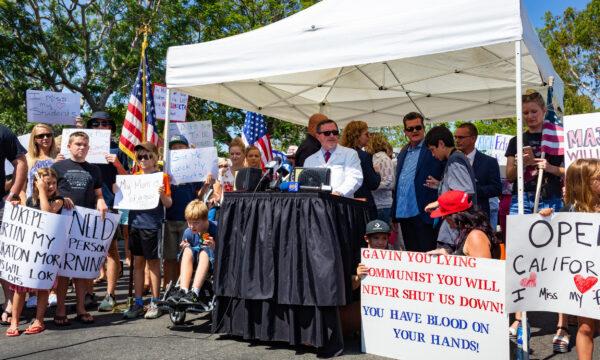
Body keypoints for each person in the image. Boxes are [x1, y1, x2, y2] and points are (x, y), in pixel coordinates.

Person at [505, 90, 566, 347]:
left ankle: (562, 325)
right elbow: (509, 176)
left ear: (543, 112)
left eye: (534, 112)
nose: (530, 117)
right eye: (525, 112)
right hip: (523, 199)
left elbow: (570, 170)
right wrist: (521, 163)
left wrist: (548, 166)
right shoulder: (516, 140)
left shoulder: (558, 138)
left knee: (557, 260)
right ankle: (520, 318)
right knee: (521, 259)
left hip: (551, 200)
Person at [545, 158, 600, 360]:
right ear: (584, 182)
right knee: (586, 328)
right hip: (587, 277)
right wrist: (547, 220)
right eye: (598, 179)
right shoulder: (569, 211)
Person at [51, 131, 108, 325]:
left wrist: (101, 201)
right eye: (77, 144)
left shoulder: (94, 170)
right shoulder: (57, 167)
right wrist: (59, 198)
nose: (81, 147)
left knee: (81, 269)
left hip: (86, 224)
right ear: (69, 146)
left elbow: (98, 193)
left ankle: (81, 308)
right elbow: (48, 191)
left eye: (84, 145)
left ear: (89, 148)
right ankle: (60, 308)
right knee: (64, 269)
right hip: (63, 222)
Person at [6, 168, 65, 336]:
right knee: (20, 289)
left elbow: (46, 213)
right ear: (37, 183)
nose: (52, 186)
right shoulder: (31, 200)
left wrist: (42, 191)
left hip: (46, 252)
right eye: (47, 183)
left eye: (54, 183)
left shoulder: (58, 200)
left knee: (43, 288)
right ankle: (15, 321)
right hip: (29, 253)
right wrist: (17, 206)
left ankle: (39, 319)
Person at [123, 142, 172, 320]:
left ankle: (155, 301)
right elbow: (123, 199)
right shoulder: (133, 176)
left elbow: (168, 203)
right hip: (135, 224)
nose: (143, 160)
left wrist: (161, 194)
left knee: (153, 264)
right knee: (137, 264)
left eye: (147, 156)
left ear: (155, 158)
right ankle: (137, 302)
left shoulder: (162, 177)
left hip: (152, 225)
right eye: (140, 157)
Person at [86, 111, 129, 312]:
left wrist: (118, 165)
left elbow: (129, 179)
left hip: (109, 205)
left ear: (111, 128)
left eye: (105, 123)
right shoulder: (81, 149)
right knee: (84, 250)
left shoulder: (118, 151)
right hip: (83, 205)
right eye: (96, 123)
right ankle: (86, 293)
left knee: (111, 251)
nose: (100, 126)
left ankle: (110, 294)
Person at [20, 123, 62, 310]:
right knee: (32, 254)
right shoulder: (28, 158)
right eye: (40, 136)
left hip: (52, 209)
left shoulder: (58, 157)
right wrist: (23, 207)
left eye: (48, 135)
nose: (45, 138)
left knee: (50, 252)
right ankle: (32, 293)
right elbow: (21, 187)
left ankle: (51, 291)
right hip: (32, 208)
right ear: (34, 139)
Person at [391, 112, 443, 252]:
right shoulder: (403, 151)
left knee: (428, 255)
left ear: (423, 128)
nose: (414, 131)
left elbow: (447, 169)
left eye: (418, 127)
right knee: (412, 256)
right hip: (404, 213)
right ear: (405, 132)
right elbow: (399, 183)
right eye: (410, 129)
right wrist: (394, 214)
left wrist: (440, 184)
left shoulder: (432, 148)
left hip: (425, 212)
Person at [423, 125, 478, 251]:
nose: (432, 154)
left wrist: (437, 203)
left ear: (441, 144)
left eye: (432, 149)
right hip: (455, 230)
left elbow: (464, 192)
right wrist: (440, 186)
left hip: (455, 232)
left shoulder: (455, 160)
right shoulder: (456, 158)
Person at [163, 135, 204, 289]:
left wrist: (206, 185)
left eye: (181, 147)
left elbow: (199, 195)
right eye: (174, 147)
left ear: (187, 149)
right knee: (169, 257)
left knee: (186, 256)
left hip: (189, 220)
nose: (177, 150)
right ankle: (168, 288)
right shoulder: (165, 168)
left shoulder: (194, 169)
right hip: (169, 218)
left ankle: (183, 288)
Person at [0, 124, 27, 326]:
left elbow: (21, 162)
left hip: (1, 204)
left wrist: (13, 194)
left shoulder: (3, 131)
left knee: (4, 256)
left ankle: (10, 304)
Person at [168, 200, 216, 307]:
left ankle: (194, 292)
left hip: (212, 263)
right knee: (187, 250)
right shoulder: (188, 232)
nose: (191, 226)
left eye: (195, 223)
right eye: (189, 222)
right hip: (194, 263)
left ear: (205, 219)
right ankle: (183, 291)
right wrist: (184, 247)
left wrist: (214, 246)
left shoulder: (216, 229)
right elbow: (183, 254)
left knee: (204, 251)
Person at [454, 123, 502, 221]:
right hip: (456, 216)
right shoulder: (452, 161)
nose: (457, 140)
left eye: (461, 137)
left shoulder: (489, 162)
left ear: (473, 139)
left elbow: (496, 188)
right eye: (455, 137)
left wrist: (473, 191)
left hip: (479, 216)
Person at [428, 190, 496, 259]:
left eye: (445, 215)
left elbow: (484, 268)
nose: (443, 218)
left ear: (456, 216)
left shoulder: (475, 237)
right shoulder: (465, 232)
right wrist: (448, 255)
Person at [303, 119, 363, 197]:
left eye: (335, 132)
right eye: (327, 133)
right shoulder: (309, 160)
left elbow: (355, 178)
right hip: (316, 205)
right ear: (318, 136)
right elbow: (306, 184)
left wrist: (338, 193)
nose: (332, 135)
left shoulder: (350, 154)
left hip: (341, 203)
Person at [340, 120, 380, 219]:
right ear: (357, 136)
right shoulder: (364, 156)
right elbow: (373, 184)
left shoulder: (340, 155)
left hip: (344, 204)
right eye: (366, 134)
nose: (369, 137)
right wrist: (377, 173)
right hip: (362, 206)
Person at [366, 133, 395, 223]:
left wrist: (372, 185)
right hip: (375, 204)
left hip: (383, 205)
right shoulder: (371, 158)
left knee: (382, 234)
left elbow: (389, 183)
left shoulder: (384, 159)